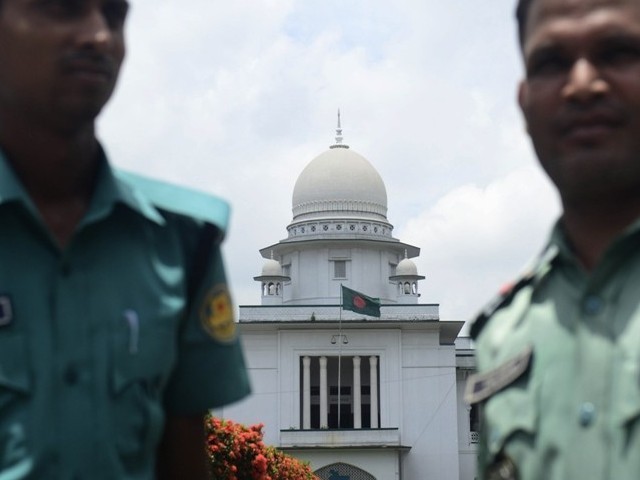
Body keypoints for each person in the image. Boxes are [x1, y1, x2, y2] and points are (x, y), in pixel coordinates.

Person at [0, 0, 250, 478]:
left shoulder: (180, 243)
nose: (99, 36)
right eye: (63, 8)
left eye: (114, 15)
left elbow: (183, 459)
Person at [466, 0, 640, 478]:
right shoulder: (503, 339)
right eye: (551, 62)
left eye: (618, 51)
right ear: (524, 102)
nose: (582, 84)